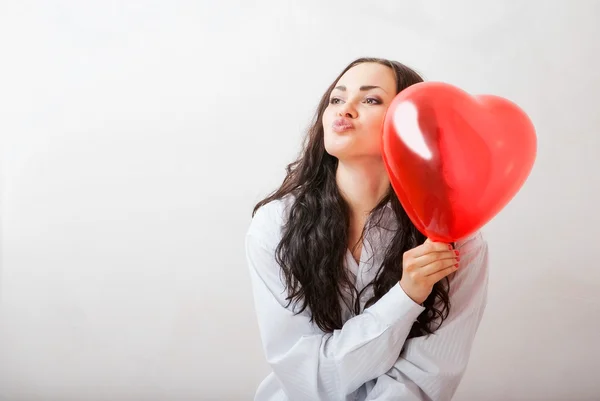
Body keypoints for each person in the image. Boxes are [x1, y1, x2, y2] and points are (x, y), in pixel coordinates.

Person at [245, 57, 489, 401]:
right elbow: (307, 379)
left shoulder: (455, 239)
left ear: (410, 123)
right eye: (336, 99)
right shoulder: (276, 224)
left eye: (370, 99)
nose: (344, 110)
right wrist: (406, 297)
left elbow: (425, 381)